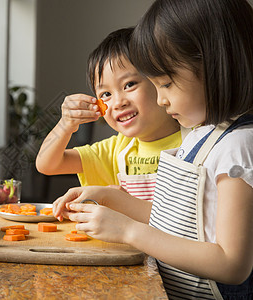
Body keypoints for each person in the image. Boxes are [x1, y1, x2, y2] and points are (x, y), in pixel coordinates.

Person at [53, 0, 253, 299]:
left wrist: (128, 231)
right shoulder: (205, 134)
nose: (161, 100)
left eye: (167, 83)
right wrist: (109, 197)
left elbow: (231, 264)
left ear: (213, 65)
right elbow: (181, 224)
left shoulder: (239, 146)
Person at [35, 27, 181, 201]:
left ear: (160, 80)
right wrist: (65, 125)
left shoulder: (196, 140)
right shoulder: (116, 150)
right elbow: (46, 164)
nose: (119, 102)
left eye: (129, 84)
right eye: (106, 94)